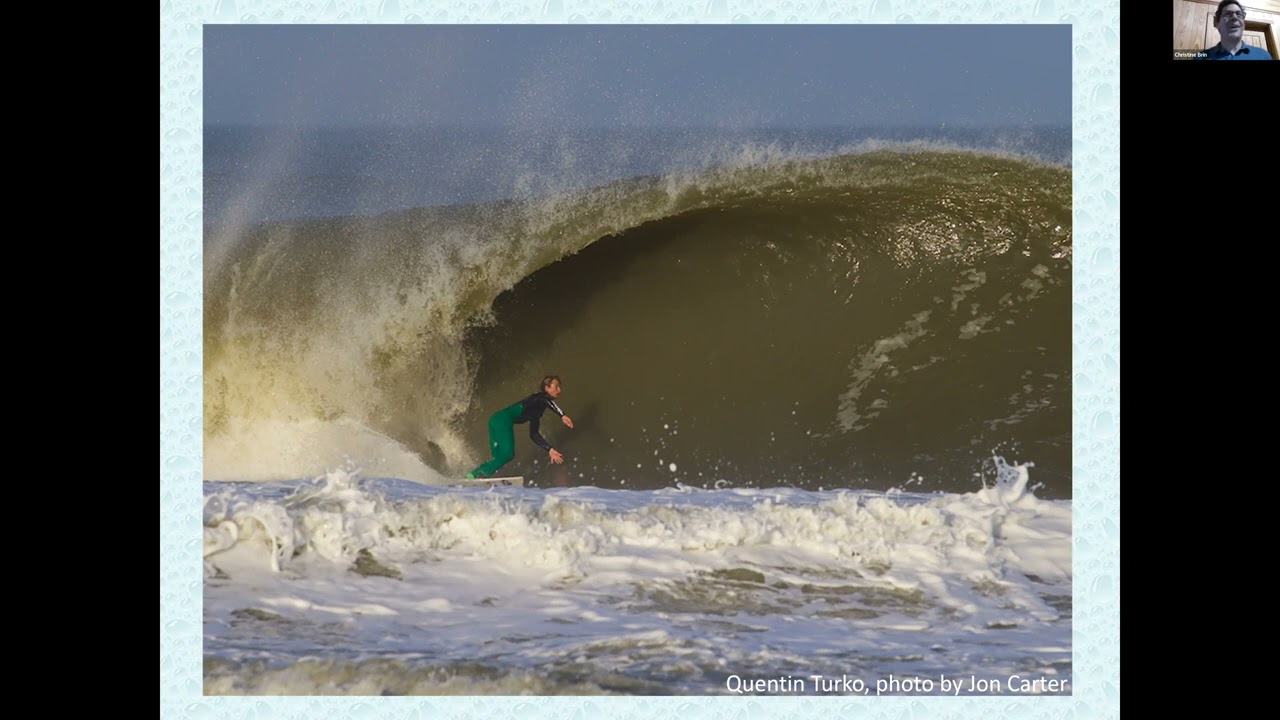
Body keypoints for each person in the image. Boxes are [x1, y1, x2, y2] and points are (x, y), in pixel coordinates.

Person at [466, 375, 574, 479]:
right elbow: (546, 400)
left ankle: (473, 476)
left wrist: (549, 449)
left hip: (495, 419)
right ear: (547, 388)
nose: (559, 390)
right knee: (508, 454)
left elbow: (534, 434)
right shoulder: (538, 398)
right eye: (556, 386)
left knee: (498, 457)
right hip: (502, 420)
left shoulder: (536, 411)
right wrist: (562, 415)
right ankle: (478, 475)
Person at [1198, 1, 1274, 59]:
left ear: (1243, 25)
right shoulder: (1200, 57)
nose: (1235, 17)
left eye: (1239, 14)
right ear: (1217, 24)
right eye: (1227, 14)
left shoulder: (1263, 56)